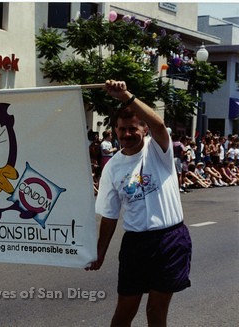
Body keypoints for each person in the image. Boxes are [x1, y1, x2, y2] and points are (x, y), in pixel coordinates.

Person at [87, 80, 192, 327]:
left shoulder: (158, 149)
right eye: (122, 129)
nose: (127, 134)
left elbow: (159, 123)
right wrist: (100, 252)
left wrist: (126, 96)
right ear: (115, 131)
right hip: (135, 244)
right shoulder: (112, 167)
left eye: (133, 128)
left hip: (169, 240)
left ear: (144, 130)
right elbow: (110, 215)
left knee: (156, 311)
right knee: (124, 311)